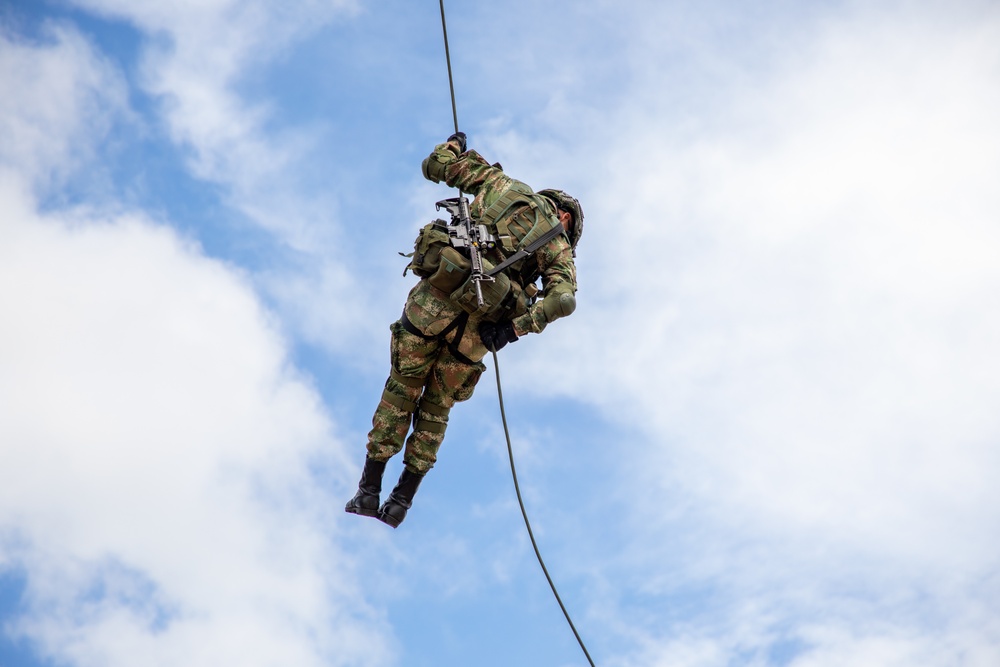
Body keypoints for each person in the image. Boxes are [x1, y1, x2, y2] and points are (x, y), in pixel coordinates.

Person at [345, 132, 584, 528]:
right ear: (567, 221)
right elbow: (564, 302)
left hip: (432, 305)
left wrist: (454, 146)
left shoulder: (501, 184)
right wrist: (514, 330)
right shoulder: (557, 246)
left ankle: (368, 491)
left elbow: (433, 165)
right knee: (436, 411)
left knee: (400, 390)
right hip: (475, 336)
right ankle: (401, 501)